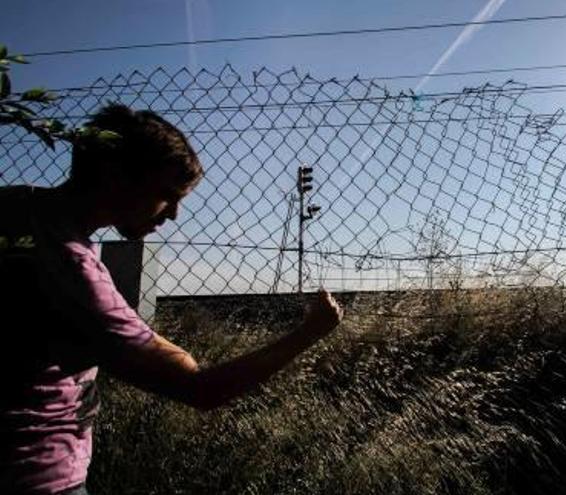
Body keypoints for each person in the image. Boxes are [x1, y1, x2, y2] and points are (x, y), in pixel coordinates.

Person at [0, 104, 343, 495]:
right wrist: (308, 333)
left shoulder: (14, 207)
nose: (176, 214)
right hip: (39, 474)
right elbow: (201, 388)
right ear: (115, 176)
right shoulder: (74, 270)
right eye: (166, 195)